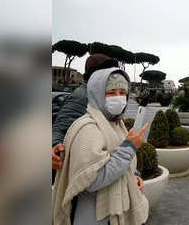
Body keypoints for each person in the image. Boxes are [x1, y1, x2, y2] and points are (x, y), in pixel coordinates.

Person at [52, 68, 148, 225]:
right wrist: (129, 147)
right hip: (94, 217)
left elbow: (120, 163)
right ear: (98, 94)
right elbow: (92, 180)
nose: (118, 98)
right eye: (111, 93)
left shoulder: (116, 123)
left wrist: (133, 176)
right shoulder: (88, 128)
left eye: (122, 92)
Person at [52, 54, 119, 175]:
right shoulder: (82, 96)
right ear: (97, 75)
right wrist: (54, 145)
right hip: (85, 170)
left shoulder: (100, 95)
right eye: (108, 72)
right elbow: (61, 127)